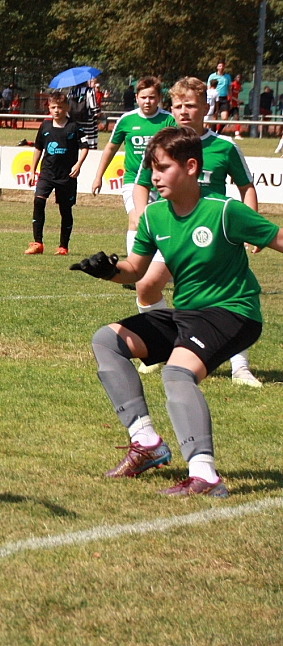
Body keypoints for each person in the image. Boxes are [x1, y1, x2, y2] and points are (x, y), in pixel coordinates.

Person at [72, 126, 283, 497]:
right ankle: (146, 443)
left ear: (190, 167)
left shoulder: (225, 211)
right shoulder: (154, 216)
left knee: (176, 373)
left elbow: (278, 238)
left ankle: (205, 476)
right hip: (187, 314)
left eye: (163, 167)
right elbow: (135, 270)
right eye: (152, 169)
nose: (154, 177)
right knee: (107, 340)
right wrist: (107, 270)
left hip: (233, 311)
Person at [131, 76, 260, 387]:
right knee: (146, 286)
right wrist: (140, 214)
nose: (183, 111)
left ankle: (240, 367)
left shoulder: (224, 147)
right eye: (177, 106)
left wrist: (250, 226)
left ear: (206, 107)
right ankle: (162, 348)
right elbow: (141, 184)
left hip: (213, 236)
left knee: (223, 297)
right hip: (173, 231)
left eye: (190, 105)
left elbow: (246, 187)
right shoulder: (162, 146)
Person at [91, 77, 174, 254]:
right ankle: (134, 264)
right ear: (136, 98)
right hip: (133, 180)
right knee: (136, 219)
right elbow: (110, 148)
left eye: (152, 97)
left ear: (159, 98)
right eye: (143, 97)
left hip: (162, 182)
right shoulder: (127, 120)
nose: (147, 101)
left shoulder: (169, 120)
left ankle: (159, 262)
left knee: (160, 222)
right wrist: (98, 176)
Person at [24, 91, 87, 255]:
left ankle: (63, 246)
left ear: (67, 108)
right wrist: (32, 171)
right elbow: (38, 148)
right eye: (53, 107)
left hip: (66, 176)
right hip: (47, 173)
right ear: (49, 108)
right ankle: (37, 243)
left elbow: (85, 147)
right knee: (38, 202)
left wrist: (78, 164)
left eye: (60, 107)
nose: (56, 110)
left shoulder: (74, 127)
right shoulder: (45, 126)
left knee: (65, 210)